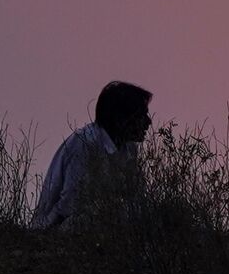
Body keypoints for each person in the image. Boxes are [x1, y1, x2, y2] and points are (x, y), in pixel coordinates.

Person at [31, 81, 152, 229]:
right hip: (61, 228)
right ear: (120, 119)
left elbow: (136, 198)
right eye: (141, 115)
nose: (148, 122)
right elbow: (69, 204)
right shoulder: (86, 143)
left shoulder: (129, 149)